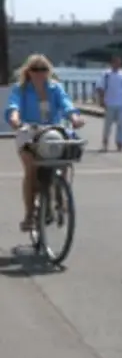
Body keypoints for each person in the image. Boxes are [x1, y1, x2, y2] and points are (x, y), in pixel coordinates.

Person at [5, 54, 85, 231]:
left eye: (43, 69)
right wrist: (15, 118)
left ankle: (60, 190)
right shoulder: (21, 89)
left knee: (66, 156)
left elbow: (66, 104)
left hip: (53, 130)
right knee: (31, 170)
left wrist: (74, 118)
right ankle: (29, 214)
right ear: (28, 72)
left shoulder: (55, 88)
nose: (39, 73)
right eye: (35, 69)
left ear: (48, 71)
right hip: (30, 130)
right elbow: (14, 106)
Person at [96, 54, 122, 152]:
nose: (117, 64)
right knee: (108, 125)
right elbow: (100, 87)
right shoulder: (106, 74)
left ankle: (120, 142)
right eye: (115, 62)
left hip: (121, 103)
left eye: (119, 62)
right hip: (109, 103)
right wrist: (101, 100)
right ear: (112, 63)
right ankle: (105, 142)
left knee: (121, 125)